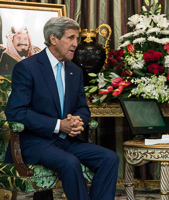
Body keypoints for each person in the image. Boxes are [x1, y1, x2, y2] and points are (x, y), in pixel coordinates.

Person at [4, 16, 119, 200]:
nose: (76, 44)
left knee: (110, 158)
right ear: (53, 39)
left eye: (77, 39)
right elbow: (16, 112)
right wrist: (58, 125)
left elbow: (83, 108)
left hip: (67, 141)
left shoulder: (74, 71)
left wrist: (77, 121)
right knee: (70, 163)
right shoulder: (27, 68)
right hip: (36, 142)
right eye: (71, 38)